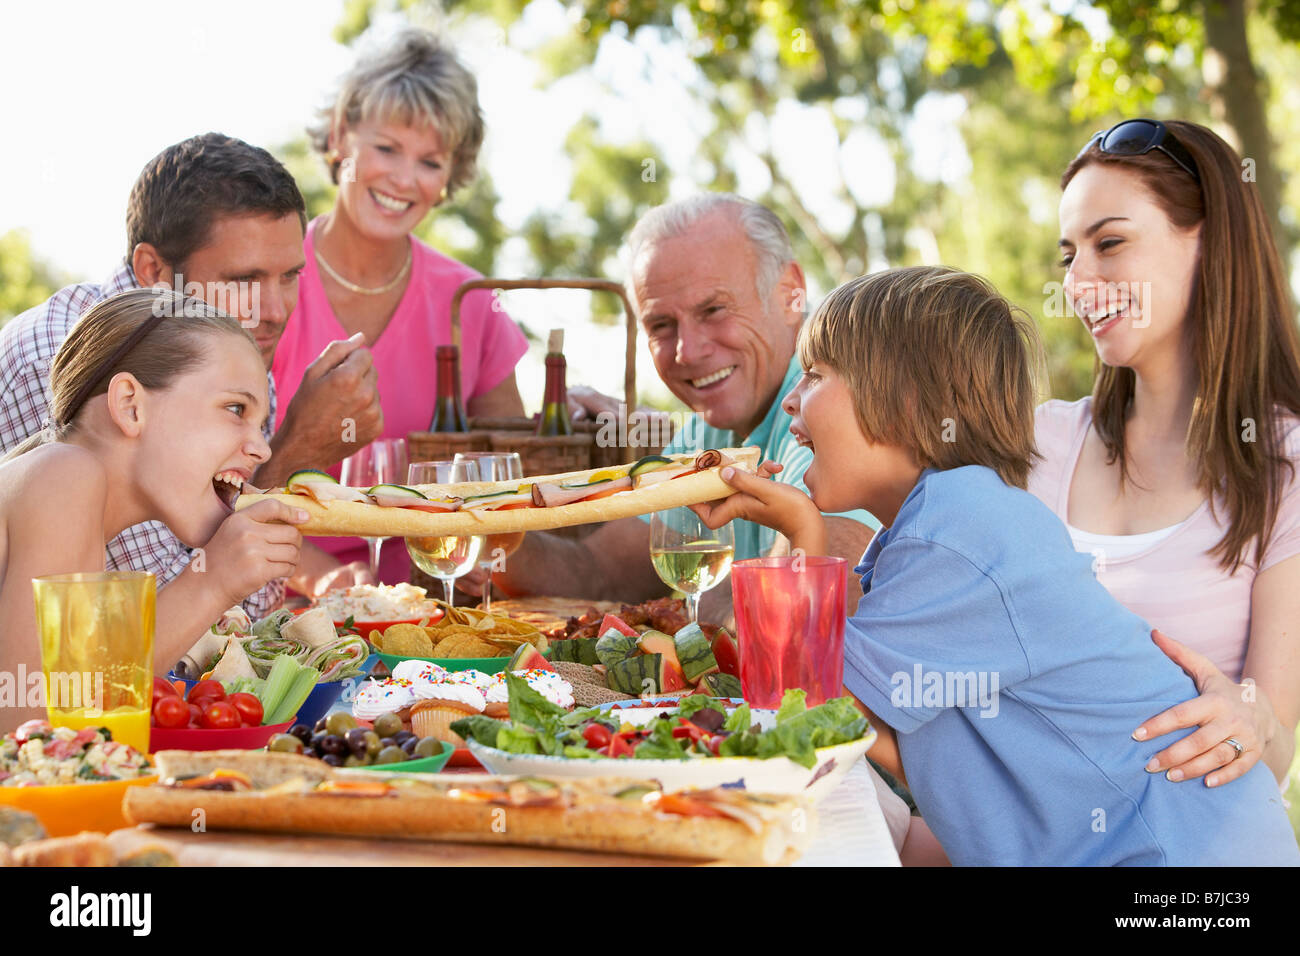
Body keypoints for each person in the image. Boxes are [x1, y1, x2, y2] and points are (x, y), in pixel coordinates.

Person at [693, 265, 1299, 865]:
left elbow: (805, 707)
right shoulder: (935, 527)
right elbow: (867, 725)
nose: (792, 400)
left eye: (816, 375)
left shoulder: (960, 528)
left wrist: (803, 530)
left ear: (904, 401)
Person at [0, 134, 383, 644]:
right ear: (153, 273)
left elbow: (110, 662)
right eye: (244, 279)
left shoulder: (219, 362)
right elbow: (54, 703)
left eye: (290, 276)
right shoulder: (59, 386)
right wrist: (296, 455)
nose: (273, 311)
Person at [1032, 119, 1300, 789]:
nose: (1079, 282)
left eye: (1111, 243)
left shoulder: (1285, 465)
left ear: (1209, 244)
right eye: (1070, 257)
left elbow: (1273, 751)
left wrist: (1249, 721)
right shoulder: (1041, 443)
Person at [482, 195, 877, 616]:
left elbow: (824, 599)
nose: (687, 351)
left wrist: (662, 621)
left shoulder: (835, 398)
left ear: (787, 294)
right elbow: (602, 574)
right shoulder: (704, 430)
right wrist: (488, 532)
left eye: (713, 309)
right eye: (661, 326)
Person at [273, 28, 529, 585]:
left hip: (426, 610)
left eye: (430, 162)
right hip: (270, 596)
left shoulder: (475, 305)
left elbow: (507, 480)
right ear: (342, 137)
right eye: (386, 148)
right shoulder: (269, 280)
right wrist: (326, 585)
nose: (404, 179)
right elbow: (211, 491)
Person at [0, 289, 308, 729]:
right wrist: (212, 582)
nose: (260, 449)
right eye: (235, 408)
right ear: (130, 405)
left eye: (261, 424)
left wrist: (216, 582)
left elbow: (91, 695)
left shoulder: (64, 488)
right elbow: (33, 736)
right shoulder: (62, 474)